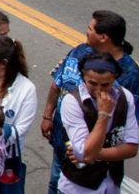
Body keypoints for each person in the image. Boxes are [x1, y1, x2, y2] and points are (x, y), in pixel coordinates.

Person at [41, 10, 138, 193]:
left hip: (102, 173)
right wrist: (48, 115)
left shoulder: (130, 78)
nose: (97, 89)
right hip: (63, 141)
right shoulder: (79, 51)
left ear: (103, 37)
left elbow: (130, 141)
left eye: (90, 29)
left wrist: (90, 154)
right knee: (55, 181)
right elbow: (57, 84)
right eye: (92, 83)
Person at [56, 52, 139, 194]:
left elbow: (131, 148)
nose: (98, 90)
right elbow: (87, 155)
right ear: (83, 75)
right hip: (78, 188)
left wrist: (94, 154)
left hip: (112, 185)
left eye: (105, 84)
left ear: (115, 78)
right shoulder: (72, 102)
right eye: (92, 83)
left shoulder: (126, 98)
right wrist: (104, 115)